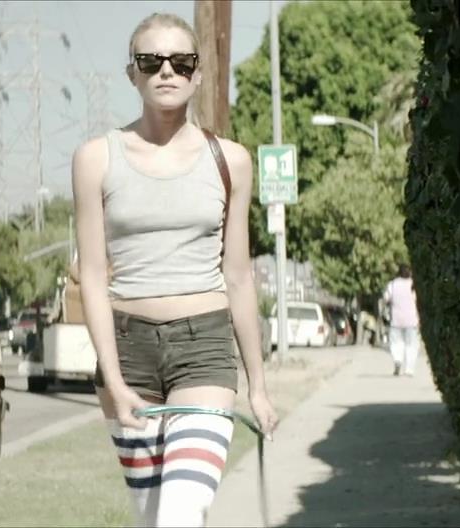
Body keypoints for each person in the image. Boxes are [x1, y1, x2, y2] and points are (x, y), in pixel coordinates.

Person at [70, 12, 278, 528]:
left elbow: (239, 277)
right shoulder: (95, 159)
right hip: (128, 353)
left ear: (198, 74)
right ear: (133, 73)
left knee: (179, 515)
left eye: (181, 61)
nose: (167, 71)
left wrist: (257, 386)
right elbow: (92, 275)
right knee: (151, 517)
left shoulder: (231, 160)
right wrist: (113, 377)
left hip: (203, 350)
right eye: (151, 61)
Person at [382, 265, 421, 376]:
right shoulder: (413, 284)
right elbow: (417, 299)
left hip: (396, 319)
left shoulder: (393, 284)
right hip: (412, 319)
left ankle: (397, 359)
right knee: (412, 345)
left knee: (396, 342)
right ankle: (409, 369)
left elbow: (386, 298)